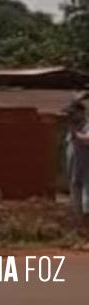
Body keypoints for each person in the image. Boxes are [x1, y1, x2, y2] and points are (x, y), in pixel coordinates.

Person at [65, 99, 89, 245]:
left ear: (82, 112)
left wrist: (76, 134)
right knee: (77, 205)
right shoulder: (73, 128)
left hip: (88, 172)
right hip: (76, 172)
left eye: (73, 113)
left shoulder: (86, 126)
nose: (71, 117)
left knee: (88, 204)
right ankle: (82, 237)